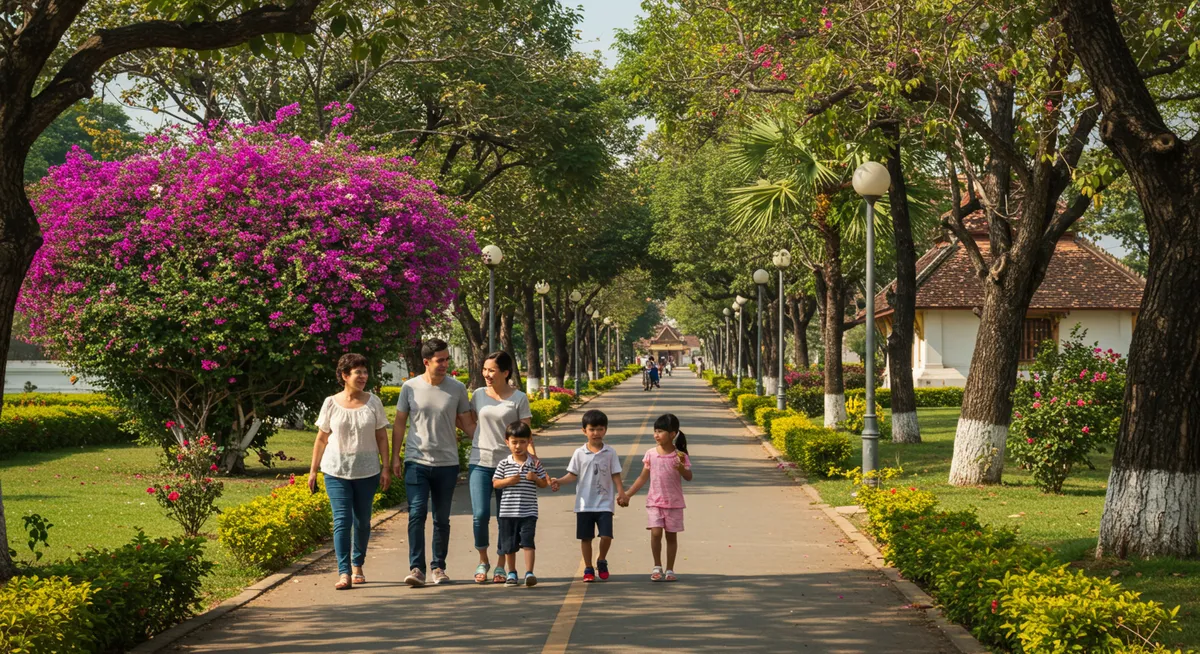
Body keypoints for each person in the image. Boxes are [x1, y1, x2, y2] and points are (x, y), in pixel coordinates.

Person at [392, 338, 475, 587]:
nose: (445, 364)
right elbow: (399, 423)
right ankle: (416, 568)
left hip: (447, 463)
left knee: (442, 518)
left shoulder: (457, 388)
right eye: (440, 360)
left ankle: (438, 567)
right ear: (426, 362)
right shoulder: (410, 387)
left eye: (447, 359)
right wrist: (395, 456)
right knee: (416, 514)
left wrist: (491, 443)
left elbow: (467, 423)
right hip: (416, 461)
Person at [308, 353, 392, 590]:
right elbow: (321, 438)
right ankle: (344, 572)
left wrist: (385, 467)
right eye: (358, 372)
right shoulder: (331, 403)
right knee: (341, 521)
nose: (363, 376)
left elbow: (381, 437)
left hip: (367, 471)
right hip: (335, 471)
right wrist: (313, 470)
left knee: (363, 521)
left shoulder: (373, 402)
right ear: (345, 376)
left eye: (365, 372)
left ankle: (358, 565)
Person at [469, 351, 534, 584]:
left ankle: (499, 564)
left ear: (505, 372)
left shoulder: (518, 398)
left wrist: (533, 462)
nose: (486, 374)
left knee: (504, 517)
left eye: (492, 370)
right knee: (479, 515)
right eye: (485, 369)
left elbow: (526, 434)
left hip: (509, 467)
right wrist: (475, 437)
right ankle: (482, 559)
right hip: (480, 463)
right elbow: (467, 420)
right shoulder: (477, 395)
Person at [549, 409, 627, 582]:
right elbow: (572, 475)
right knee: (586, 538)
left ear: (605, 430)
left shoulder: (610, 452)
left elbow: (615, 474)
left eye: (600, 429)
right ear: (584, 431)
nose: (596, 433)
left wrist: (621, 492)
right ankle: (588, 568)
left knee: (606, 536)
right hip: (584, 504)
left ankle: (601, 560)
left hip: (605, 503)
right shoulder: (579, 453)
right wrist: (559, 481)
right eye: (592, 429)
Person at [624, 413, 693, 582]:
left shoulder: (680, 455)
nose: (656, 435)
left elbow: (689, 476)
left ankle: (670, 569)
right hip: (655, 502)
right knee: (655, 533)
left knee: (671, 536)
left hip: (674, 503)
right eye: (655, 431)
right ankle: (657, 566)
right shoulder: (651, 454)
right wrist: (627, 495)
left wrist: (681, 468)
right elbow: (642, 477)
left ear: (672, 434)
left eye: (660, 431)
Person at [491, 422, 549, 586]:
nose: (518, 446)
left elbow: (544, 482)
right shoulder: (504, 463)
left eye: (522, 442)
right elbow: (495, 483)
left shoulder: (535, 463)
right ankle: (511, 572)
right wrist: (509, 481)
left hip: (528, 512)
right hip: (508, 513)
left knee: (528, 543)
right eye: (514, 442)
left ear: (529, 441)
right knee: (509, 545)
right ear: (507, 442)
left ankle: (529, 573)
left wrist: (536, 479)